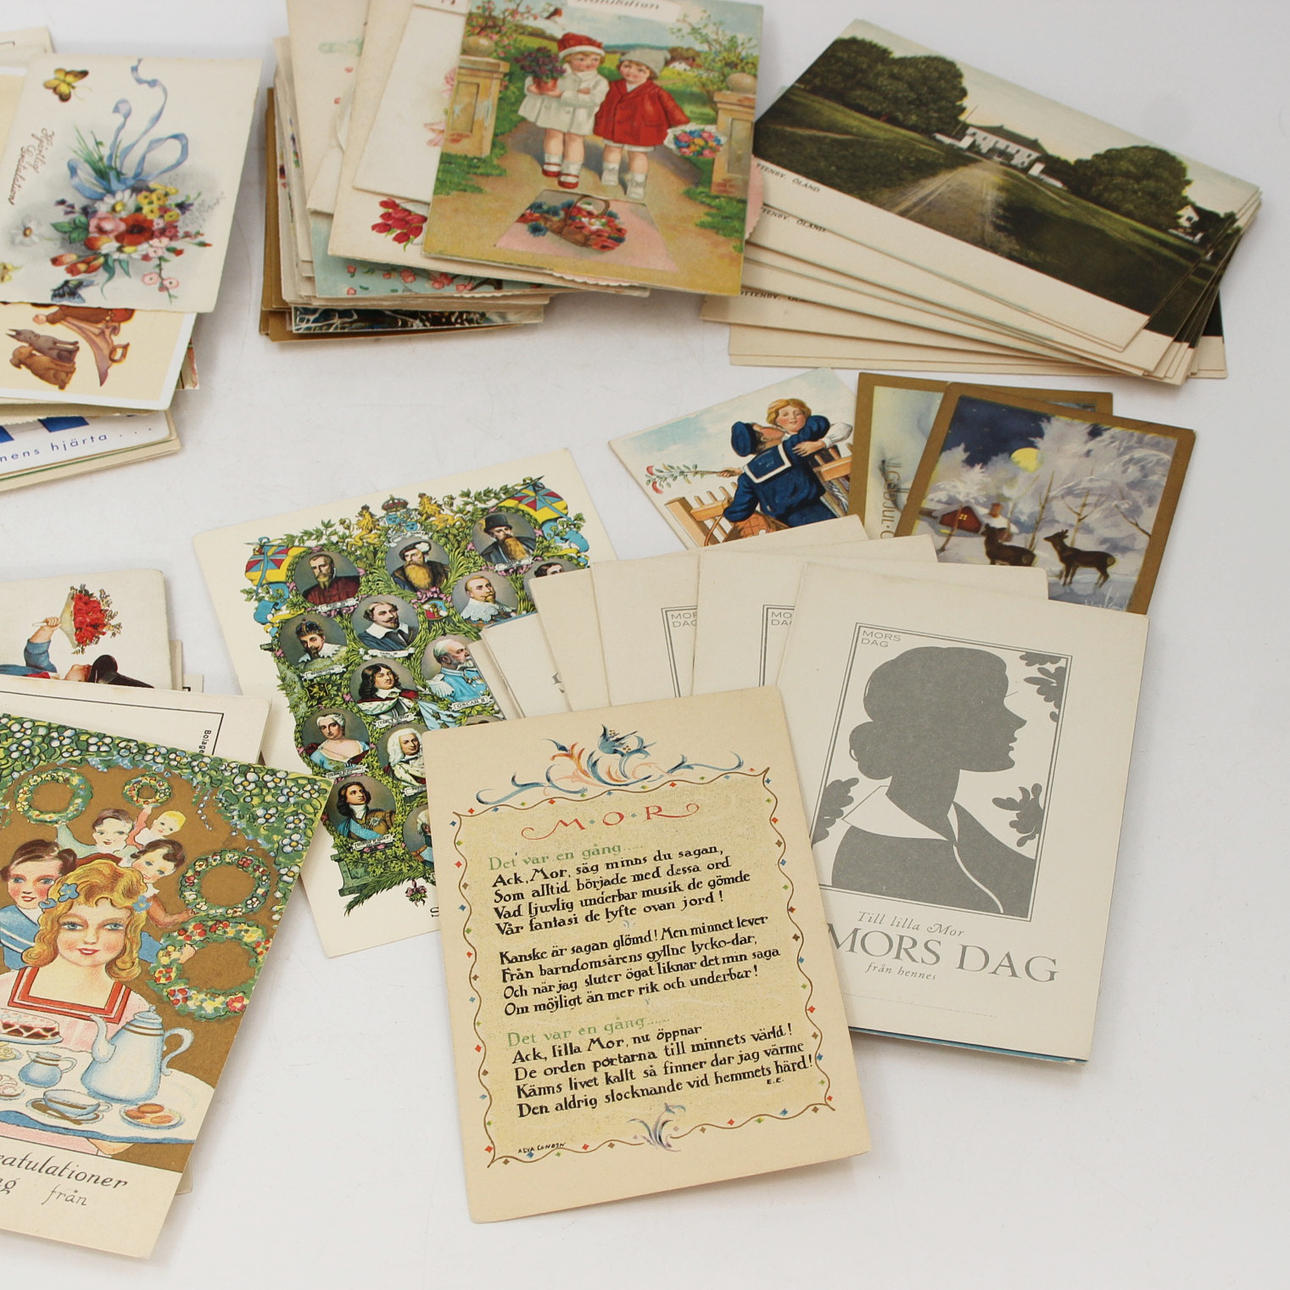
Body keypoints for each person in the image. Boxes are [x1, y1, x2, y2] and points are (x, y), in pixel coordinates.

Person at [817, 646, 1037, 917]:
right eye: (989, 706)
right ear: (937, 725)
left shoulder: (957, 824)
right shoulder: (867, 854)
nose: (1016, 721)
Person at [0, 859, 156, 1153]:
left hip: (71, 1163)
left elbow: (116, 1142)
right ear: (53, 926)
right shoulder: (5, 990)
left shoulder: (135, 1013)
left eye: (111, 927)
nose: (91, 939)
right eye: (74, 925)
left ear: (129, 934)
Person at [721, 397, 845, 531]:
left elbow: (738, 512)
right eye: (762, 428)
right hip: (819, 513)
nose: (769, 426)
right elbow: (819, 422)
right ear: (764, 437)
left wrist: (726, 510)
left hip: (788, 525)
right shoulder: (790, 448)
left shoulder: (747, 476)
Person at [595, 48, 689, 201]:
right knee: (612, 149)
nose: (631, 72)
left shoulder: (656, 91)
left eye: (640, 70)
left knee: (638, 155)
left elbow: (671, 107)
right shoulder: (613, 86)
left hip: (641, 129)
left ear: (650, 73)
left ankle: (637, 183)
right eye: (627, 66)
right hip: (614, 126)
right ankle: (610, 172)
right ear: (620, 67)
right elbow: (598, 99)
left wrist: (682, 123)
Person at [518, 32, 608, 190]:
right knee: (553, 134)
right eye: (581, 59)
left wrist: (563, 95)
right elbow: (537, 79)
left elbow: (595, 99)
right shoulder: (557, 72)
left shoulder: (599, 81)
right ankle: (552, 162)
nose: (589, 63)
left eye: (595, 59)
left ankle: (571, 170)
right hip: (556, 110)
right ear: (568, 59)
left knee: (575, 139)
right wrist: (531, 87)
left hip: (579, 116)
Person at [1, 616, 150, 685]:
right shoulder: (49, 673)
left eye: (87, 671)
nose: (85, 665)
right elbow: (35, 653)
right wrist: (47, 630)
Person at [1, 839, 78, 969]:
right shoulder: (5, 919)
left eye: (45, 881)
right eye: (18, 879)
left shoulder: (72, 915)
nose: (27, 889)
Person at [119, 838, 189, 930]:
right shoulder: (114, 866)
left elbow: (162, 920)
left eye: (160, 872)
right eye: (148, 863)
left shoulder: (146, 894)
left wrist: (184, 915)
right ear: (140, 854)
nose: (150, 872)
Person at [427, 638, 492, 705]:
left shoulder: (475, 672)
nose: (467, 653)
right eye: (459, 651)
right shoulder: (441, 685)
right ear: (445, 659)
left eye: (465, 650)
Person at [55, 807, 134, 860]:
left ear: (127, 835)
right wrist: (61, 826)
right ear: (94, 834)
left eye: (119, 833)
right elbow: (69, 844)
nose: (108, 838)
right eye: (101, 833)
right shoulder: (87, 852)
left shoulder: (132, 852)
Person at [354, 662, 419, 724]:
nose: (388, 678)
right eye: (381, 676)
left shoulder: (409, 694)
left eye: (389, 673)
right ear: (371, 680)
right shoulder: (365, 704)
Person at [385, 728, 426, 793]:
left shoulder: (430, 758)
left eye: (414, 740)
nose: (412, 745)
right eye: (406, 742)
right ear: (398, 746)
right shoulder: (391, 769)